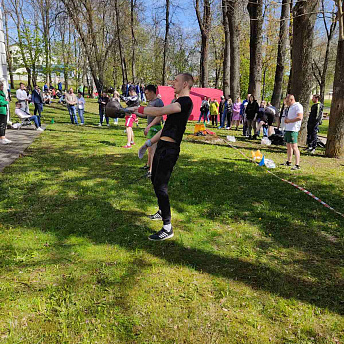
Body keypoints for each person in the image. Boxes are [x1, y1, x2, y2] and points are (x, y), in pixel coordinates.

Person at [128, 73, 194, 241]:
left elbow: (161, 111)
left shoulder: (185, 102)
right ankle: (161, 210)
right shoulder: (176, 102)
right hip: (162, 146)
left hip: (170, 149)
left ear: (185, 83)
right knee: (154, 180)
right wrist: (147, 143)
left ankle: (167, 227)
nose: (173, 83)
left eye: (176, 81)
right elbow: (165, 129)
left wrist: (140, 109)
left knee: (161, 185)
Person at [143, 85, 165, 177]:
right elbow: (147, 114)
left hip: (155, 128)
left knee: (153, 150)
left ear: (152, 92)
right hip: (151, 128)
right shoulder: (150, 102)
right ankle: (148, 165)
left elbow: (160, 116)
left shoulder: (158, 102)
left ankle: (152, 171)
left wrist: (149, 126)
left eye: (147, 93)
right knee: (149, 149)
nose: (146, 96)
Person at [282, 94, 303, 170]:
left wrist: (290, 121)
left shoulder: (298, 106)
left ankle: (297, 164)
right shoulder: (290, 107)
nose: (286, 102)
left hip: (293, 129)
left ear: (291, 100)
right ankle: (289, 161)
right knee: (288, 146)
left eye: (287, 101)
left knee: (294, 146)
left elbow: (300, 117)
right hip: (288, 128)